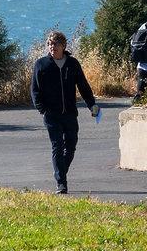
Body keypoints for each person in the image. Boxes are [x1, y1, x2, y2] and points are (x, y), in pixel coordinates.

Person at [30, 30, 99, 195]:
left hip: (69, 113)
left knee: (71, 145)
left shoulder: (72, 64)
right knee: (57, 146)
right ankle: (61, 183)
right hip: (51, 114)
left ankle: (60, 172)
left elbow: (83, 85)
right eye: (50, 44)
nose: (52, 47)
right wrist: (42, 108)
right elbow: (35, 89)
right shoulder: (41, 64)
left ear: (63, 46)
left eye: (56, 44)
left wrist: (92, 105)